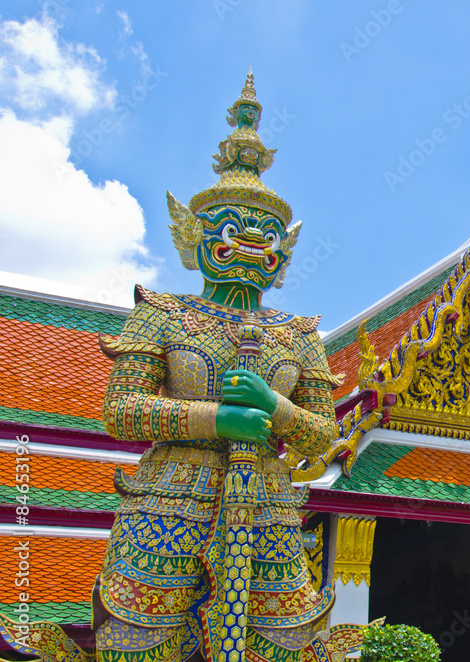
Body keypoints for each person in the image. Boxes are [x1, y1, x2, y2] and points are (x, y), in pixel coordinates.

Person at [94, 70, 349, 662]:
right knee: (139, 644)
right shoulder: (162, 313)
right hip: (167, 503)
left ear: (282, 250)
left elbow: (326, 436)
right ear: (195, 235)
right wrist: (217, 420)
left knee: (283, 647)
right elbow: (121, 411)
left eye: (266, 233)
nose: (252, 241)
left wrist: (274, 407)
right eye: (233, 228)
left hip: (268, 509)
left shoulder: (298, 335)